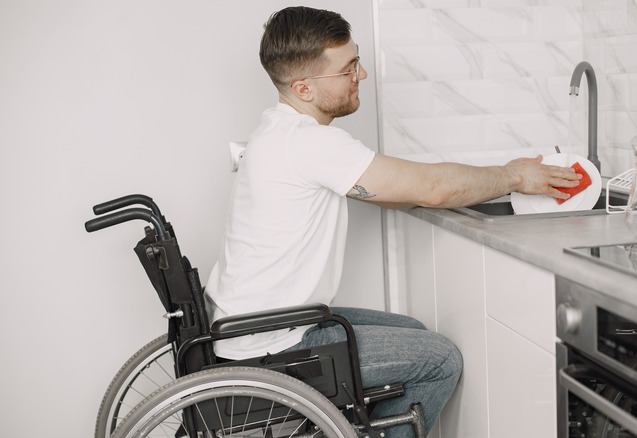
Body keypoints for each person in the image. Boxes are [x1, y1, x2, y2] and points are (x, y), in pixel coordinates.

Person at [204, 6, 581, 437]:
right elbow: (431, 187)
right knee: (440, 361)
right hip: (274, 344)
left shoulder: (280, 132)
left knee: (412, 331)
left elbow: (398, 188)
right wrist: (516, 176)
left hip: (256, 327)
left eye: (357, 60)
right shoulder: (308, 143)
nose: (360, 76)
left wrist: (458, 185)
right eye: (348, 68)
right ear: (304, 88)